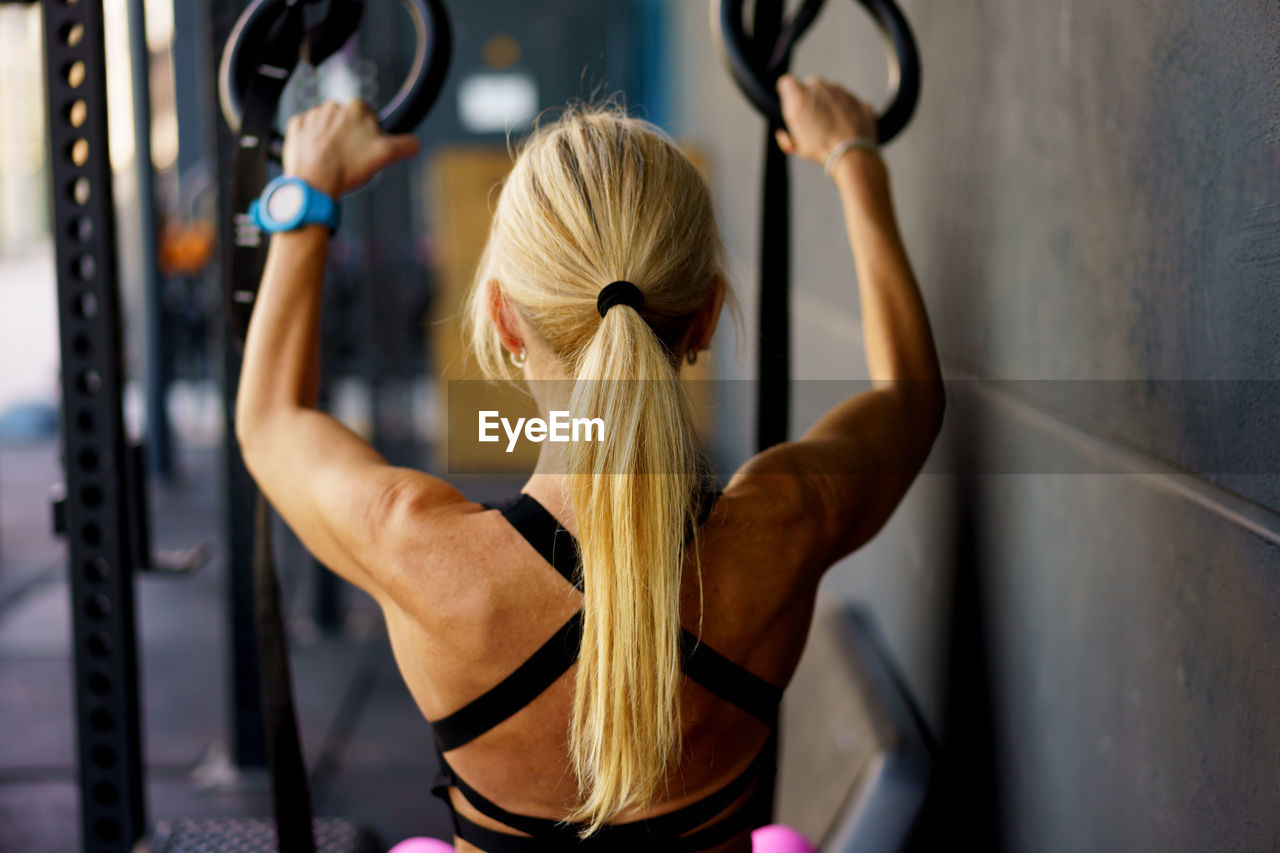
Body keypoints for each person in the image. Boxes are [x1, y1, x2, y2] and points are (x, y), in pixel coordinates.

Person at [235, 72, 944, 853]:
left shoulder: (414, 548)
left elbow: (270, 419)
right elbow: (912, 396)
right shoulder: (786, 523)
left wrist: (307, 192)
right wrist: (853, 155)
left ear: (503, 320)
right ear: (706, 315)